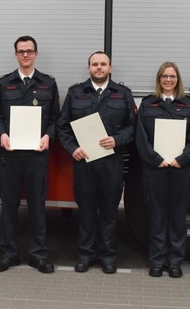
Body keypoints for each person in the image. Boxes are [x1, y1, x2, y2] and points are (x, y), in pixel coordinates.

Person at [57, 51, 137, 274]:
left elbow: (133, 127)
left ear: (110, 68)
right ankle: (85, 255)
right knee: (86, 212)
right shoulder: (76, 93)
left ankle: (108, 256)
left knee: (110, 213)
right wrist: (73, 149)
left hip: (112, 163)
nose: (99, 67)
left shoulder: (123, 94)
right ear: (88, 68)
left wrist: (117, 140)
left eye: (103, 64)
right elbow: (62, 127)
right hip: (85, 163)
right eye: (95, 64)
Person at [0, 35, 60, 273]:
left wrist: (48, 137)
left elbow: (54, 119)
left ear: (36, 54)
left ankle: (38, 255)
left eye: (29, 51)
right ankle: (8, 254)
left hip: (36, 156)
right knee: (8, 208)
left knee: (37, 208)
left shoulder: (48, 84)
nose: (25, 55)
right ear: (15, 55)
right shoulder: (3, 83)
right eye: (21, 51)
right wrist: (1, 134)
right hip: (9, 156)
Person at [135, 62, 190, 278]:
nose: (168, 80)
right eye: (164, 76)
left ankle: (175, 262)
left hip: (182, 169)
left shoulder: (189, 105)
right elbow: (141, 138)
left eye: (172, 76)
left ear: (178, 79)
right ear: (159, 79)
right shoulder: (148, 104)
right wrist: (156, 160)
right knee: (157, 216)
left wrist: (182, 159)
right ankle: (156, 261)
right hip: (156, 169)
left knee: (178, 216)